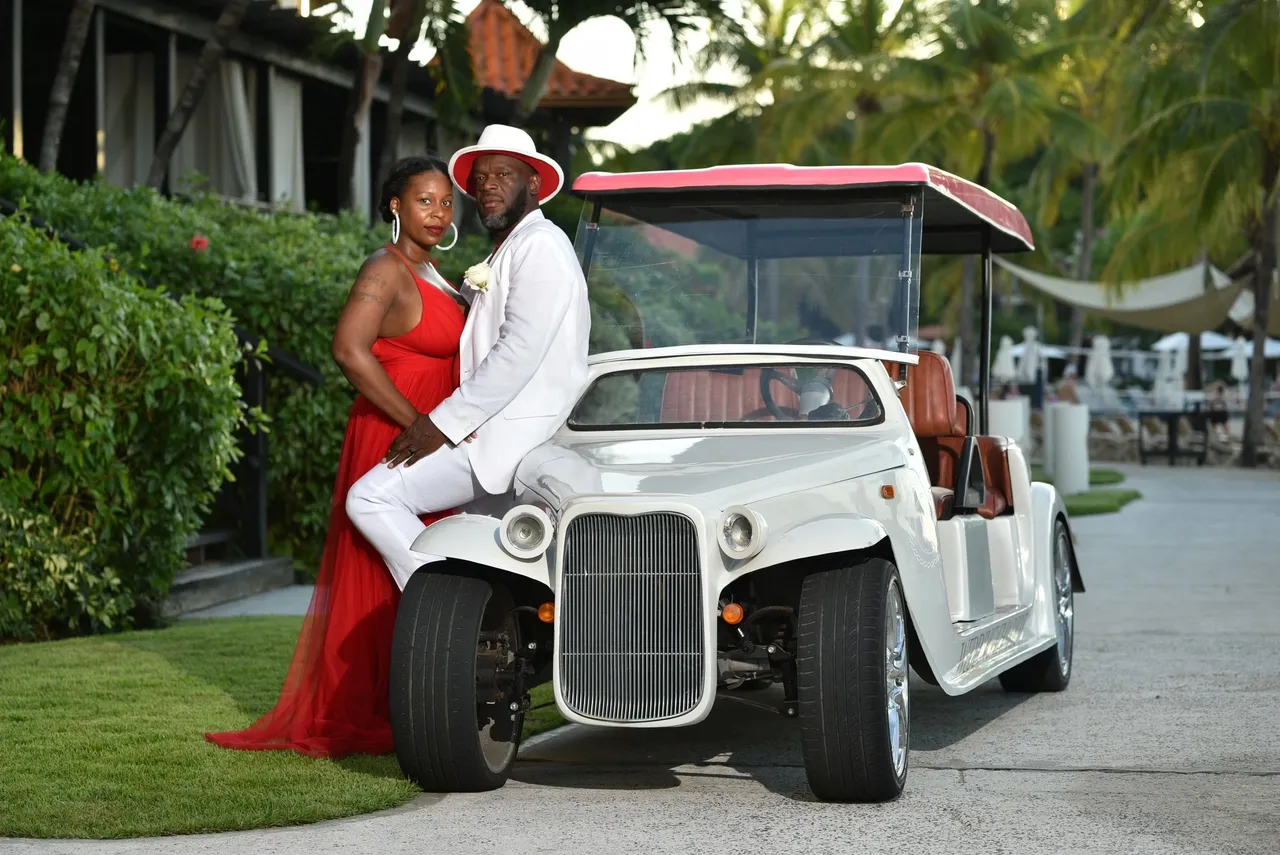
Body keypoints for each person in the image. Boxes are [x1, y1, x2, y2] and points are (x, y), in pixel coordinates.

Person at [205, 156, 467, 758]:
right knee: (383, 575)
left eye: (446, 202)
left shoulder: (435, 272)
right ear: (395, 206)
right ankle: (372, 706)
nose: (438, 212)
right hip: (399, 436)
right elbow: (349, 351)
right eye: (424, 201)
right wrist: (419, 425)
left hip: (433, 436)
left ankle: (419, 699)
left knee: (421, 568)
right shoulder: (385, 267)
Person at [344, 124, 591, 589]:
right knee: (499, 557)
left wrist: (441, 423)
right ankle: (478, 614)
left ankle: (448, 602)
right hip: (490, 432)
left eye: (503, 174)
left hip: (505, 436)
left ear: (533, 182)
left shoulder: (541, 246)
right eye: (479, 180)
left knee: (370, 499)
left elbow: (517, 351)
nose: (488, 186)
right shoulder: (509, 249)